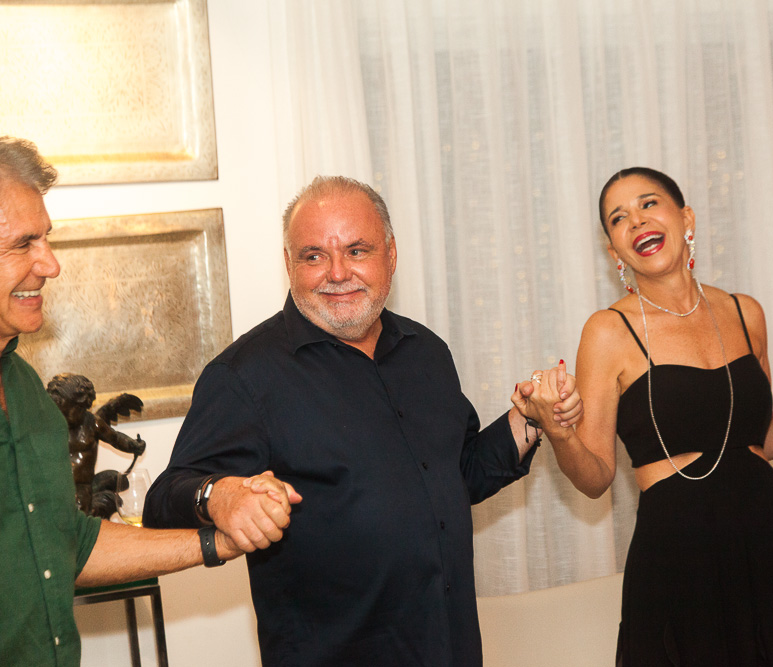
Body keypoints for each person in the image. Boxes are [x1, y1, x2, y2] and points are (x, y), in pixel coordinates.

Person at [142, 174, 581, 666]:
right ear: (288, 264)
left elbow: (455, 476)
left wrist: (528, 420)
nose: (337, 273)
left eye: (356, 251)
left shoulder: (426, 351)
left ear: (390, 255)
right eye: (314, 256)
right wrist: (218, 495)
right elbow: (163, 500)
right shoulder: (244, 375)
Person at [513, 167, 773, 666]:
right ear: (614, 252)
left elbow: (755, 439)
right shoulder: (608, 331)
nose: (637, 221)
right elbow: (595, 478)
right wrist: (559, 432)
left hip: (765, 536)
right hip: (678, 549)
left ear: (686, 218)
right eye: (619, 218)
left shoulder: (745, 312)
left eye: (648, 204)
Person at [0, 135, 298, 667]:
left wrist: (220, 541)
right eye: (24, 244)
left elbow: (70, 545)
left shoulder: (28, 393)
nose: (50, 264)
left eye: (46, 239)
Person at [46, 372, 146, 516]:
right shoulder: (51, 427)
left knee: (79, 512)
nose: (62, 416)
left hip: (82, 488)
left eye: (67, 411)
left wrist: (133, 445)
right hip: (58, 486)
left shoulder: (92, 423)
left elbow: (116, 438)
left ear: (81, 406)